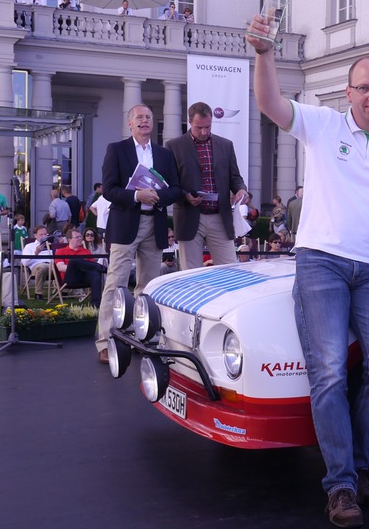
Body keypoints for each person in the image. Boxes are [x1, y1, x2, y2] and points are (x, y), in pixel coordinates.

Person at [249, 11, 369, 529]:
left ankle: (358, 468)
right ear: (348, 93)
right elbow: (270, 104)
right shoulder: (321, 125)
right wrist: (264, 53)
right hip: (320, 261)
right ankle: (341, 485)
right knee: (328, 372)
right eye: (363, 88)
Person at [94, 104, 182, 364]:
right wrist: (136, 195)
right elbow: (108, 190)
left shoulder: (164, 155)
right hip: (125, 225)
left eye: (148, 117)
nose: (144, 121)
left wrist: (158, 196)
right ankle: (106, 341)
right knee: (116, 284)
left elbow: (176, 188)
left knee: (147, 287)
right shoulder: (117, 150)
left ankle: (142, 338)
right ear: (130, 124)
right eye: (139, 118)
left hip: (153, 223)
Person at [165, 102, 249, 270]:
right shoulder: (174, 146)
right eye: (199, 128)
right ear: (189, 122)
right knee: (191, 273)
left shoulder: (225, 145)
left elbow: (235, 177)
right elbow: (170, 183)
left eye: (208, 127)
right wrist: (185, 196)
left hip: (220, 215)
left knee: (230, 270)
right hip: (189, 216)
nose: (204, 132)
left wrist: (241, 189)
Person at [55, 227, 104, 306]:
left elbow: (92, 266)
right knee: (74, 261)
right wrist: (77, 267)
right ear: (69, 239)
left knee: (95, 273)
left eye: (80, 237)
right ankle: (104, 269)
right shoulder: (61, 251)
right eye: (77, 237)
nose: (80, 239)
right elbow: (61, 268)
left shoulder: (86, 252)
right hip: (70, 279)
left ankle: (96, 304)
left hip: (84, 277)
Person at [20, 225, 55, 299]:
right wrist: (36, 253)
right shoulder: (29, 246)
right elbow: (24, 262)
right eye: (41, 234)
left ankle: (64, 291)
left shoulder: (52, 245)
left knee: (65, 266)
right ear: (35, 235)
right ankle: (38, 294)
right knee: (42, 267)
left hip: (52, 265)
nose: (44, 236)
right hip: (37, 266)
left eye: (45, 234)